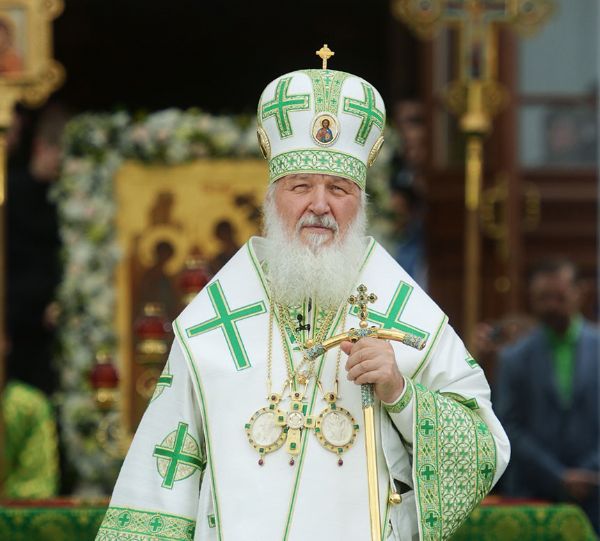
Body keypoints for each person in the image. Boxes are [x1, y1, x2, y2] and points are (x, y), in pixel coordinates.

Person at [96, 52, 509, 541]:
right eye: (300, 186)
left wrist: (401, 394)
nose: (319, 205)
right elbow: (161, 481)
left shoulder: (405, 313)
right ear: (272, 198)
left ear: (360, 203)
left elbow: (485, 449)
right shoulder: (214, 321)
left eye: (339, 188)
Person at [495, 259, 599, 532]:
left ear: (578, 293)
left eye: (559, 297)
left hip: (595, 493)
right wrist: (559, 476)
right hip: (534, 495)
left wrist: (588, 471)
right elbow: (508, 426)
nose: (551, 305)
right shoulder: (514, 359)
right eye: (543, 298)